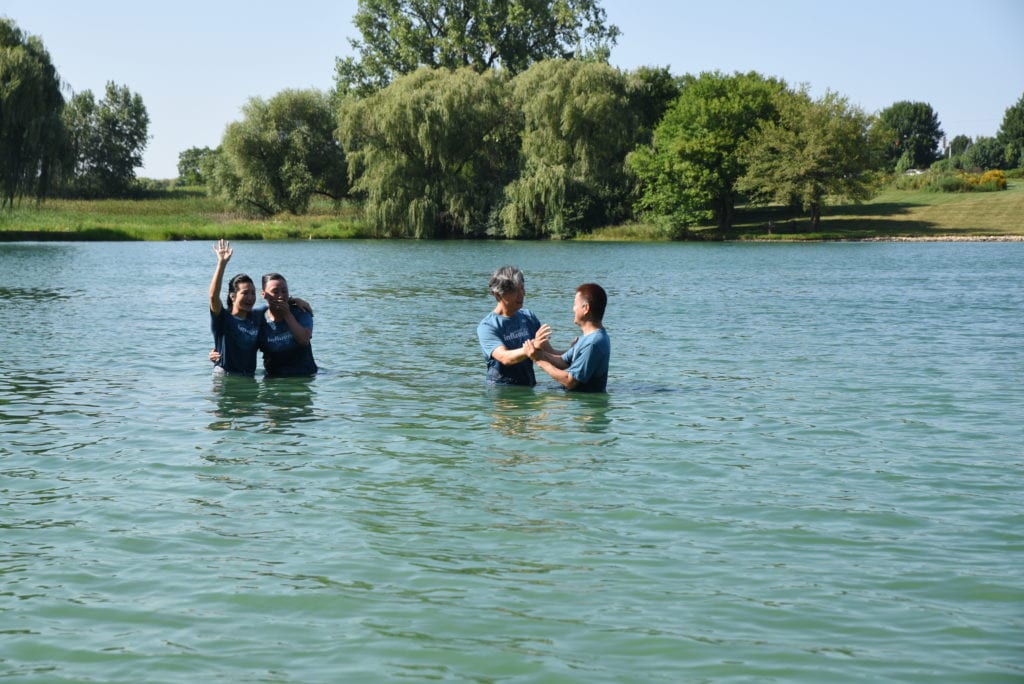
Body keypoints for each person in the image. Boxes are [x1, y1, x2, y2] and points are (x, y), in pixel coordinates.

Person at [476, 265, 557, 386]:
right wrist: (533, 346)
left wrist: (578, 349)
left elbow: (551, 354)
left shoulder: (529, 317)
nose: (521, 294)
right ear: (498, 295)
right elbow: (505, 358)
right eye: (514, 291)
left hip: (528, 385)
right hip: (502, 390)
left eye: (522, 288)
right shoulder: (487, 326)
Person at [524, 283, 610, 392]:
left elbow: (570, 382)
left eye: (575, 304)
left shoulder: (593, 343)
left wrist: (539, 360)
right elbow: (562, 361)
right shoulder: (588, 338)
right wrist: (538, 351)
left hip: (584, 406)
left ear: (586, 308)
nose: (573, 309)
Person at [209, 239, 262, 375]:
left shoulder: (256, 318)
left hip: (249, 379)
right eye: (245, 293)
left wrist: (294, 300)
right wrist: (222, 263)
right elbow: (213, 297)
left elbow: (275, 303)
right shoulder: (223, 318)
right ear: (232, 296)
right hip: (226, 378)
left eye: (253, 293)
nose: (250, 298)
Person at [259, 272, 318, 377]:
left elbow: (304, 340)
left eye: (284, 291)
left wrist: (287, 314)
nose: (281, 296)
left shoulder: (301, 312)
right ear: (264, 294)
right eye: (275, 292)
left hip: (304, 377)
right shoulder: (259, 319)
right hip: (273, 380)